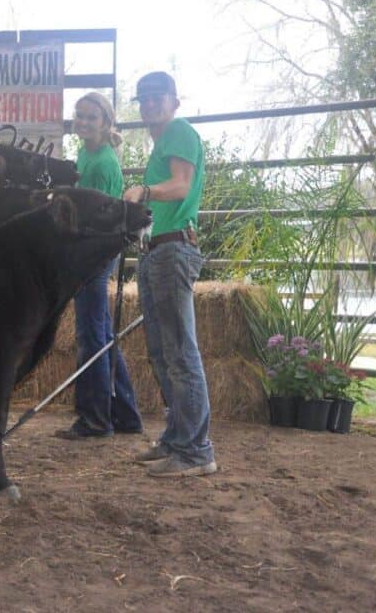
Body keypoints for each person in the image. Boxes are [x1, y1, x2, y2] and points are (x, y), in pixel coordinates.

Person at [122, 72, 217, 477]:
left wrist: (144, 192)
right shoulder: (164, 140)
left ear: (175, 101)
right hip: (158, 248)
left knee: (179, 351)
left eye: (157, 98)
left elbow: (180, 186)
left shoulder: (178, 131)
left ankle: (197, 451)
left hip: (173, 248)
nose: (149, 105)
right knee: (163, 352)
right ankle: (178, 439)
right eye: (143, 99)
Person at [55, 92, 143, 440]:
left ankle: (94, 418)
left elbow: (96, 219)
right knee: (102, 334)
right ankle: (126, 414)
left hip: (95, 251)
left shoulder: (103, 163)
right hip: (94, 251)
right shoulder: (85, 153)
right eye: (79, 116)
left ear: (106, 122)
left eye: (91, 117)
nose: (83, 122)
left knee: (91, 334)